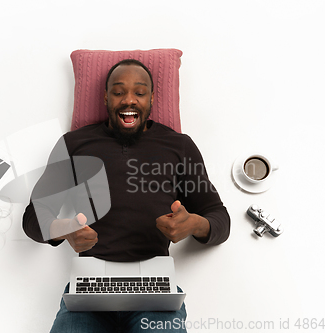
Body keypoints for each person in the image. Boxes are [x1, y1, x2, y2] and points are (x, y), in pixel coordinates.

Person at [23, 59, 230, 332]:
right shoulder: (74, 143)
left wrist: (193, 224)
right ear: (106, 97)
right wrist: (65, 229)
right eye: (119, 92)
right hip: (90, 287)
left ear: (152, 98)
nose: (128, 100)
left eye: (140, 92)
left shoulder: (179, 146)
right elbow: (33, 218)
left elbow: (220, 219)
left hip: (154, 289)